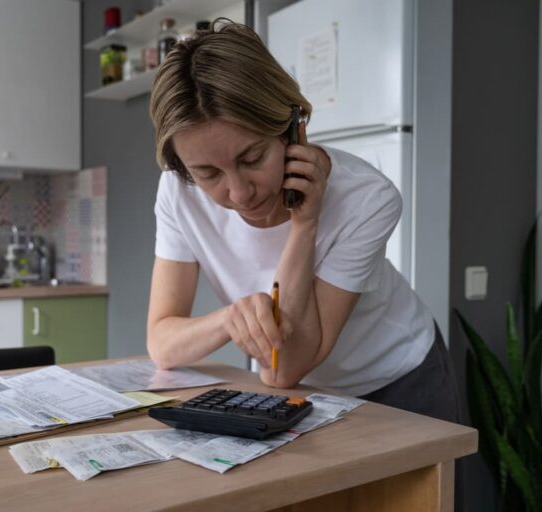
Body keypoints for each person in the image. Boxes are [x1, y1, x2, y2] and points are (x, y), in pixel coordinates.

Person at [145, 19, 461, 425]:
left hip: (399, 380)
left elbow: (284, 368)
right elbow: (162, 343)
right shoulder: (177, 191)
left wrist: (304, 225)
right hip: (305, 395)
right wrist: (231, 318)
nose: (239, 193)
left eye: (252, 158)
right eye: (208, 173)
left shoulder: (367, 198)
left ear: (294, 129)